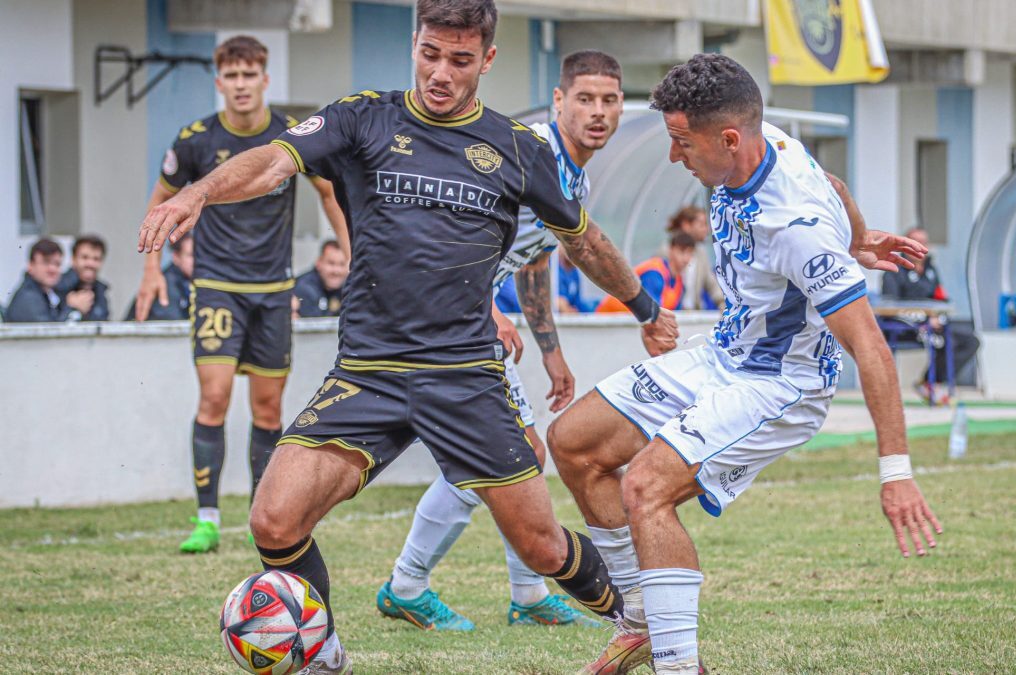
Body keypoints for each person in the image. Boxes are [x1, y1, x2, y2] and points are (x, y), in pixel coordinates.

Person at [136, 2, 679, 672]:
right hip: (367, 371)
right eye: (430, 53)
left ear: (487, 59)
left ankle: (642, 618)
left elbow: (585, 243)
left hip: (467, 376)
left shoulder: (517, 147)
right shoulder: (364, 115)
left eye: (459, 59)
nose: (441, 72)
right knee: (273, 520)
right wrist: (198, 195)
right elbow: (275, 161)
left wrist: (645, 307)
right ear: (414, 44)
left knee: (540, 545)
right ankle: (322, 651)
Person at [546, 54, 941, 675]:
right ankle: (643, 623)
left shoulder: (797, 228)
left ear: (729, 139)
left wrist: (896, 472)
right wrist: (860, 237)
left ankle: (679, 665)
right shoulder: (771, 140)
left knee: (645, 486)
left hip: (781, 384)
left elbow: (872, 348)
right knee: (572, 442)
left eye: (682, 142)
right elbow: (833, 182)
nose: (676, 157)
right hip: (723, 354)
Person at [376, 49, 625, 632]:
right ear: (559, 101)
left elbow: (532, 256)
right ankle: (410, 584)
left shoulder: (573, 175)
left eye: (609, 100)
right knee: (502, 456)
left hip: (459, 317)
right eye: (584, 98)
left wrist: (551, 350)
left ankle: (524, 594)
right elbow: (448, 230)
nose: (598, 112)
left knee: (516, 456)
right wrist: (484, 306)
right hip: (445, 315)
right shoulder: (522, 149)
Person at [132, 35, 349, 555]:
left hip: (274, 291)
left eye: (250, 75)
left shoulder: (289, 138)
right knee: (214, 396)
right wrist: (150, 272)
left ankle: (260, 512)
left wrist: (353, 252)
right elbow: (161, 198)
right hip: (216, 288)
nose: (241, 85)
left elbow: (329, 194)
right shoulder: (195, 140)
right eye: (232, 76)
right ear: (219, 82)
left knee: (268, 409)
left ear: (265, 80)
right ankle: (206, 516)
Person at [881, 227, 981, 404]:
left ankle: (930, 381)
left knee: (970, 341)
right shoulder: (893, 269)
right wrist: (924, 319)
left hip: (934, 325)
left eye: (924, 243)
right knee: (945, 341)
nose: (920, 247)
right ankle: (928, 384)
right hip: (905, 328)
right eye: (914, 242)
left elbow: (940, 298)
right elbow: (891, 307)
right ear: (905, 245)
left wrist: (937, 316)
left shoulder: (931, 269)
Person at [596, 230, 697, 312]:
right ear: (671, 249)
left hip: (629, 323)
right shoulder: (655, 272)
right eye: (682, 252)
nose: (686, 258)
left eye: (690, 253)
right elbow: (651, 311)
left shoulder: (679, 284)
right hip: (609, 317)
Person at [666, 206, 723, 310]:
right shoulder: (665, 252)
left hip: (692, 315)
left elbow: (711, 284)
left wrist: (722, 303)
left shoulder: (701, 254)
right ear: (686, 225)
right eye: (702, 225)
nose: (706, 230)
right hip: (672, 314)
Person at [125, 235, 194, 320]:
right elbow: (172, 326)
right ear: (176, 257)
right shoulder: (168, 283)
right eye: (191, 255)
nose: (196, 260)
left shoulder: (187, 281)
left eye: (199, 255)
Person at [5, 238, 72, 322]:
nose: (52, 269)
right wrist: (70, 307)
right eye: (46, 262)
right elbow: (48, 332)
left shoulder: (42, 293)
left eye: (57, 264)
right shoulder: (28, 298)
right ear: (30, 266)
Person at [55, 234, 110, 321]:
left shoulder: (101, 291)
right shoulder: (57, 286)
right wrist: (70, 307)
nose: (90, 264)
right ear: (73, 259)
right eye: (85, 257)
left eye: (96, 259)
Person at [294, 240, 348, 318]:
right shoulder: (305, 287)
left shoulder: (349, 287)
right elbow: (313, 327)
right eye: (331, 263)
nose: (336, 271)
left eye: (342, 264)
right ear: (318, 263)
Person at [557, 244, 596, 313]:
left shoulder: (574, 272)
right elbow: (558, 303)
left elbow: (577, 303)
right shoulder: (552, 268)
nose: (573, 250)